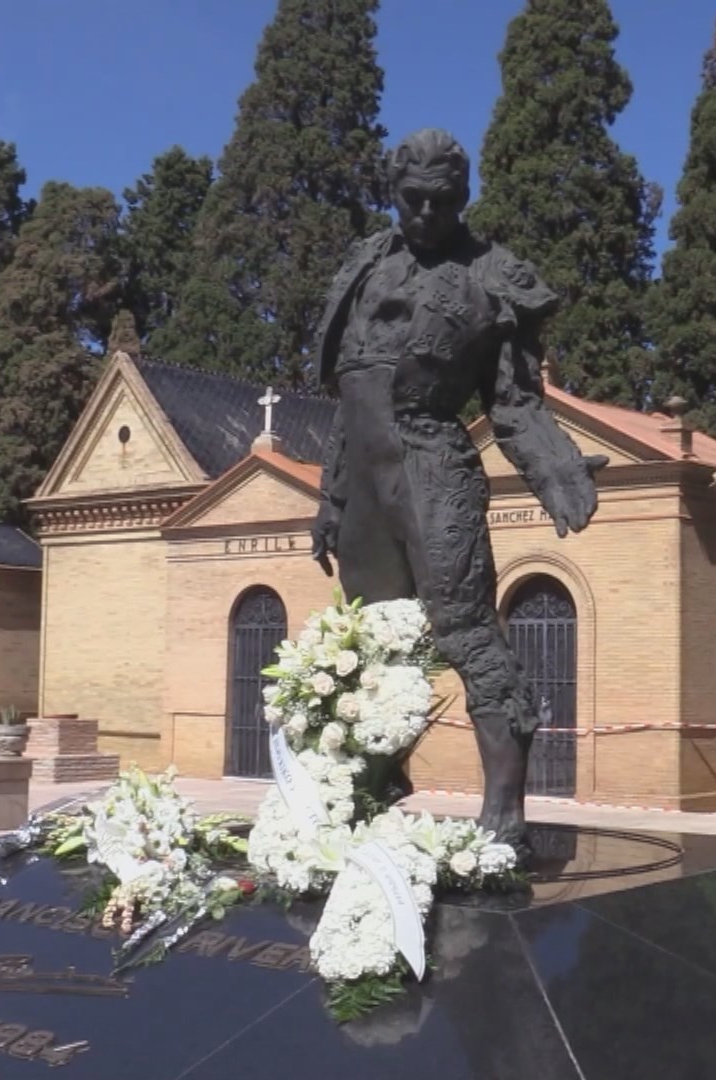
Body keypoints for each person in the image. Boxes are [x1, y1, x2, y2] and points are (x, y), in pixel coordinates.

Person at [310, 128, 606, 847]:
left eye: (440, 202)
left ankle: (505, 812)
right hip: (367, 483)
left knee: (466, 631)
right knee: (371, 644)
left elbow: (514, 404)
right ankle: (374, 789)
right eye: (411, 200)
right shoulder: (365, 265)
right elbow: (351, 399)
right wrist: (331, 494)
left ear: (462, 197)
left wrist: (556, 467)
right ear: (393, 193)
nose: (424, 215)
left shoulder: (492, 276)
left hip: (432, 461)